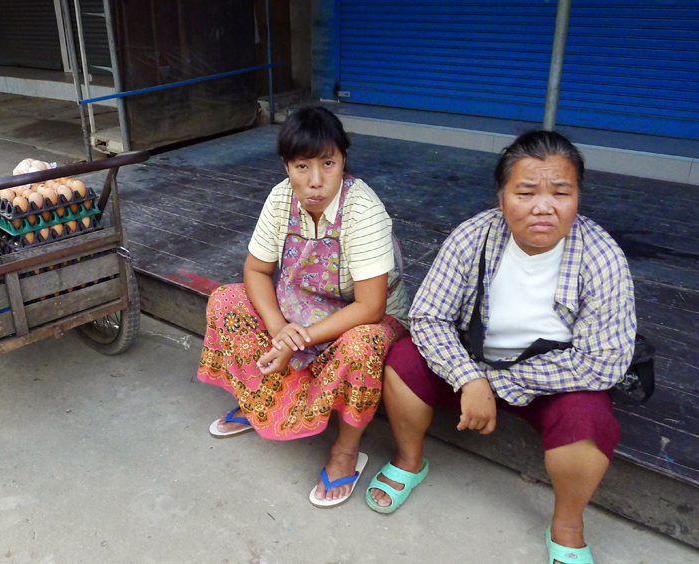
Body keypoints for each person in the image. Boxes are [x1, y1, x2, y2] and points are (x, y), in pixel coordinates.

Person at [366, 131, 635, 564]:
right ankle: (409, 460)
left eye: (561, 192)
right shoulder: (474, 235)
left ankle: (567, 524)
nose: (544, 206)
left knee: (589, 421)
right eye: (526, 192)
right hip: (473, 365)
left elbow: (605, 361)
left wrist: (492, 383)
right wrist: (469, 376)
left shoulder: (601, 255)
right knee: (403, 360)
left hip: (553, 379)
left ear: (577, 197)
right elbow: (427, 316)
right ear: (502, 195)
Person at [197, 106, 410, 507]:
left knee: (362, 346)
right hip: (300, 307)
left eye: (328, 164)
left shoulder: (362, 208)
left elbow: (370, 305)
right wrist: (279, 327)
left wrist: (298, 339)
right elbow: (256, 270)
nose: (315, 181)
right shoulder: (281, 198)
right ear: (286, 166)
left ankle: (347, 450)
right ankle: (259, 401)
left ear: (343, 159)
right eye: (302, 166)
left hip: (368, 317)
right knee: (226, 301)